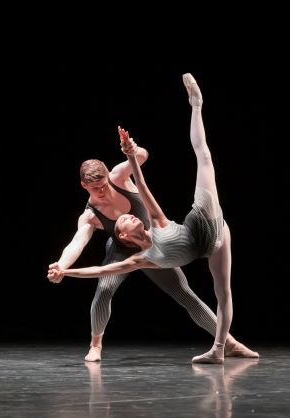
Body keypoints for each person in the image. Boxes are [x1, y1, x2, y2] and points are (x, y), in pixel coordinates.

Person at [49, 73, 248, 364]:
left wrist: (133, 150)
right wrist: (61, 266)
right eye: (95, 188)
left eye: (104, 184)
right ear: (84, 187)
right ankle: (95, 345)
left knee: (185, 294)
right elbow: (76, 243)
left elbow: (141, 160)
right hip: (123, 250)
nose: (102, 191)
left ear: (107, 176)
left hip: (155, 245)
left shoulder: (117, 176)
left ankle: (226, 342)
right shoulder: (90, 215)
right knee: (104, 289)